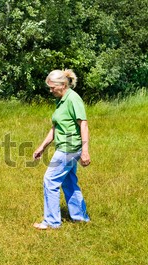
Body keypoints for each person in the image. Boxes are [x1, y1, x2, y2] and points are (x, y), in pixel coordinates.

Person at [33, 69, 91, 229]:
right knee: (69, 182)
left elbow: (84, 125)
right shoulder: (61, 99)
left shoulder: (73, 99)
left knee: (50, 180)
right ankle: (80, 218)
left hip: (69, 147)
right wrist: (42, 147)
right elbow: (55, 127)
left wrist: (85, 151)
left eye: (52, 87)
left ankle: (51, 221)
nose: (50, 90)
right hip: (66, 147)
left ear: (63, 85)